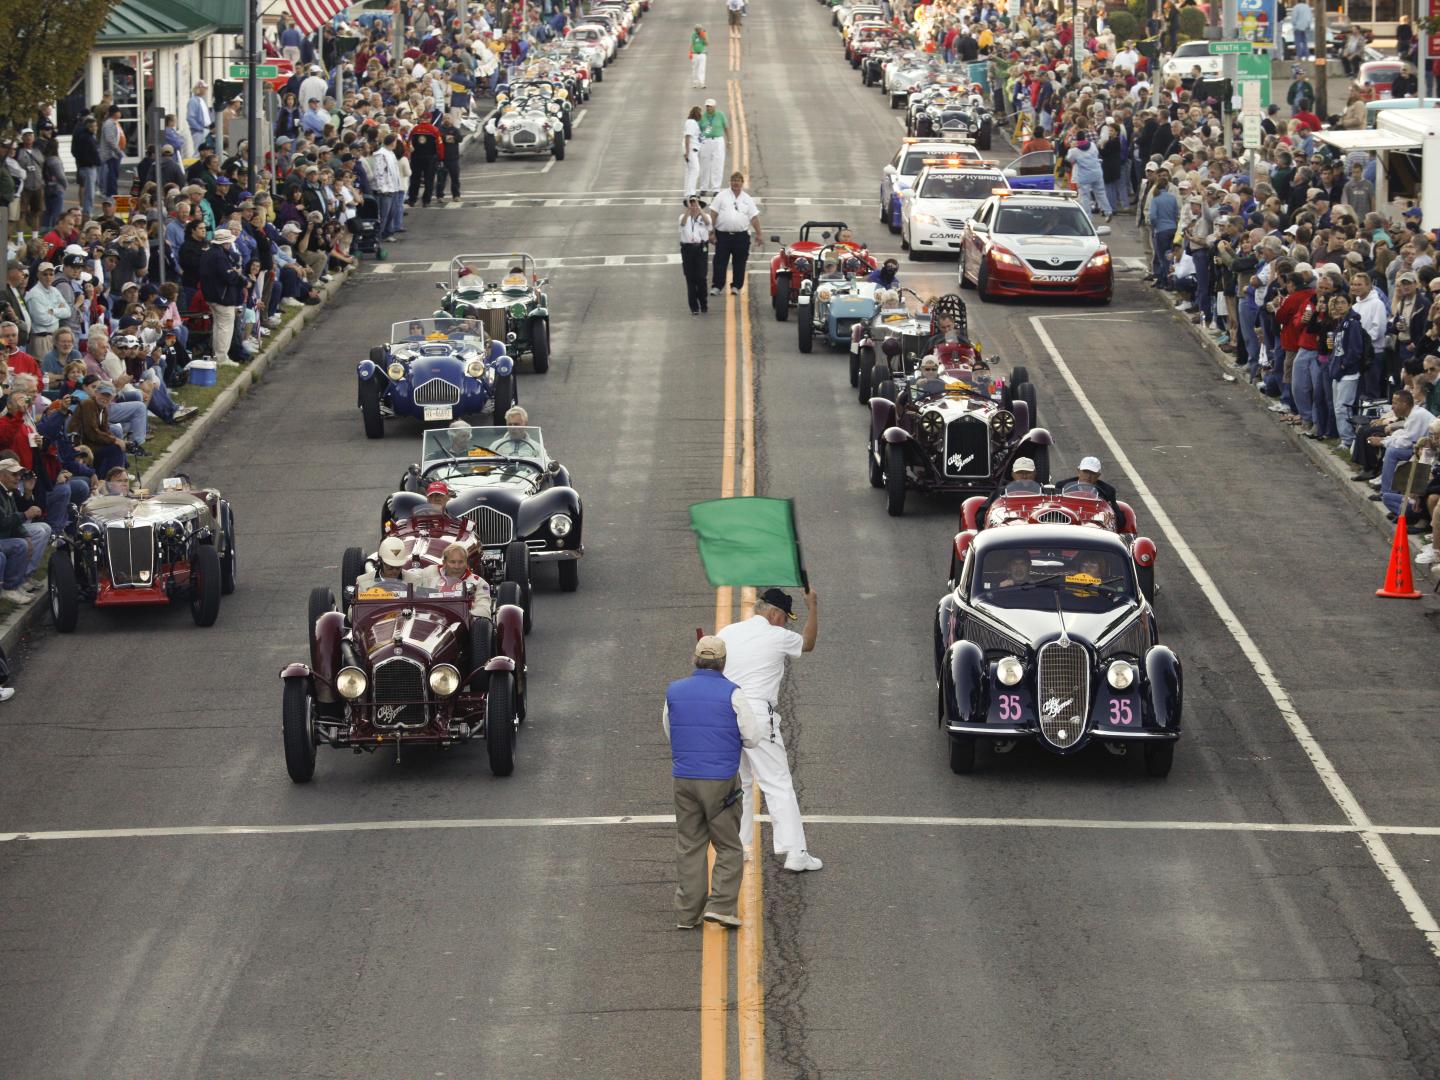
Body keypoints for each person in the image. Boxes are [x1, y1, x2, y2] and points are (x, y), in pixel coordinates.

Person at [717, 586, 822, 873]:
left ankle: (738, 848)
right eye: (785, 618)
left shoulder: (727, 632)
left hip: (726, 712)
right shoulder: (777, 636)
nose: (786, 623)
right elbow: (808, 643)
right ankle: (795, 852)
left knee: (740, 784)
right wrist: (813, 607)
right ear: (774, 614)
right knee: (777, 783)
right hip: (756, 713)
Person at [663, 634, 764, 929]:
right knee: (729, 845)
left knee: (690, 845)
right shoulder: (733, 693)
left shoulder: (674, 691)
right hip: (720, 780)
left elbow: (670, 730)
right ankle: (721, 906)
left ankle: (686, 913)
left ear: (696, 659)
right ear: (722, 663)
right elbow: (753, 737)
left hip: (684, 777)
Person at [0, 459, 52, 604]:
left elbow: (14, 520)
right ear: (1, 475)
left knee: (24, 541)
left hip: (4, 536)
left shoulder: (7, 492)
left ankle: (18, 583)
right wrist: (25, 515)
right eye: (14, 475)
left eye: (19, 475)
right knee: (19, 545)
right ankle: (10, 588)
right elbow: (3, 522)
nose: (18, 478)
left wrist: (26, 535)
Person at [709, 172, 762, 296]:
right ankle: (717, 286)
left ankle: (736, 286)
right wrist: (711, 232)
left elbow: (754, 217)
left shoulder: (747, 199)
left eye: (738, 180)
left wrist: (759, 233)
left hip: (741, 237)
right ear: (730, 182)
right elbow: (713, 213)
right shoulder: (721, 196)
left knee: (739, 262)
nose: (736, 183)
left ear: (742, 183)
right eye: (733, 180)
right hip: (723, 236)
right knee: (720, 261)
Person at [416, 541, 490, 613]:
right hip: (429, 619)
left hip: (461, 621)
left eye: (461, 562)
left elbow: (484, 610)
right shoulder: (430, 572)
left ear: (466, 563)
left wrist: (468, 616)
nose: (457, 566)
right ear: (444, 563)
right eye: (452, 562)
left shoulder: (479, 583)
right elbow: (410, 579)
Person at [679, 195, 713, 315]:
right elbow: (682, 225)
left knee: (701, 277)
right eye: (692, 203)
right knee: (690, 278)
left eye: (695, 203)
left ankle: (703, 303)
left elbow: (708, 223)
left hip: (701, 248)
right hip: (687, 248)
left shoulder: (705, 216)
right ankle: (694, 307)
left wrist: (700, 210)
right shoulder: (683, 217)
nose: (693, 206)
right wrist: (688, 210)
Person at [699, 99, 728, 194]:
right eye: (707, 106)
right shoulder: (702, 117)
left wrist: (730, 141)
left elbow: (726, 127)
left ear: (714, 107)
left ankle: (716, 188)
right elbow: (699, 130)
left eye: (710, 106)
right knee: (704, 165)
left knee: (718, 165)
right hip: (706, 141)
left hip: (718, 141)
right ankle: (704, 188)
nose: (708, 108)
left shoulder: (720, 115)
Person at [682, 106, 702, 197]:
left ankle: (687, 192)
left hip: (692, 150)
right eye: (700, 113)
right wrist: (687, 152)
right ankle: (691, 193)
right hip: (691, 150)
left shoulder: (693, 122)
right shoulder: (691, 122)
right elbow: (687, 137)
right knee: (695, 170)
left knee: (690, 171)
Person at [690, 24, 708, 89]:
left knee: (702, 69)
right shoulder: (693, 35)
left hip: (702, 54)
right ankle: (695, 83)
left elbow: (706, 44)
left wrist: (704, 37)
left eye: (699, 29)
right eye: (697, 29)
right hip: (695, 54)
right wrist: (690, 52)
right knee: (695, 68)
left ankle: (702, 83)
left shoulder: (703, 34)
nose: (698, 30)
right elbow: (692, 43)